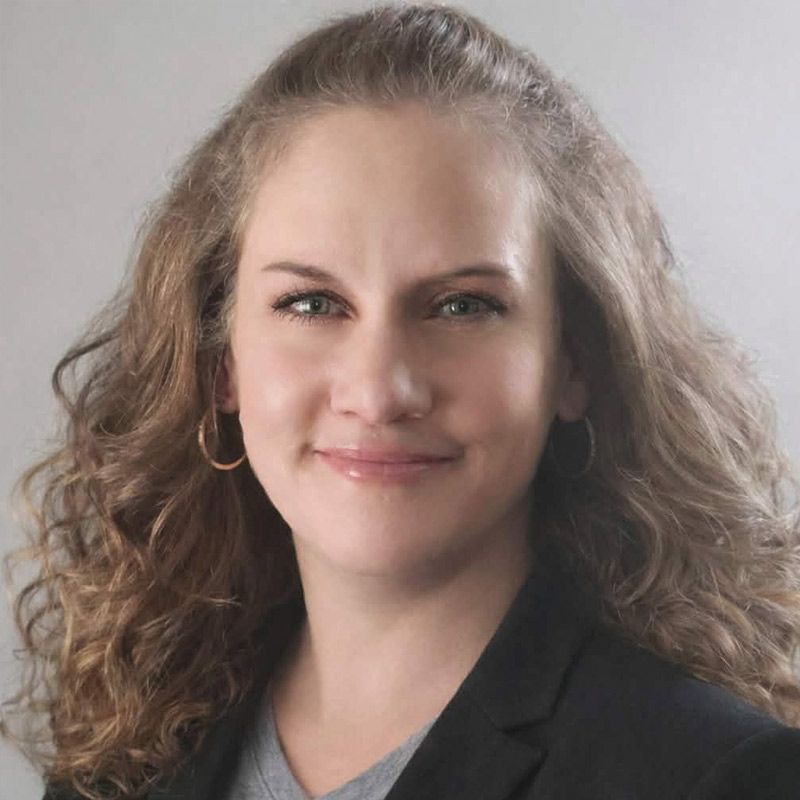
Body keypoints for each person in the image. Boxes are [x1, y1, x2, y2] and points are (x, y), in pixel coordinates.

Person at [3, 3, 799, 799]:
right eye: (312, 303)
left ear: (572, 362)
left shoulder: (722, 777)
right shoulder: (122, 765)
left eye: (461, 306)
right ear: (221, 362)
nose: (380, 391)